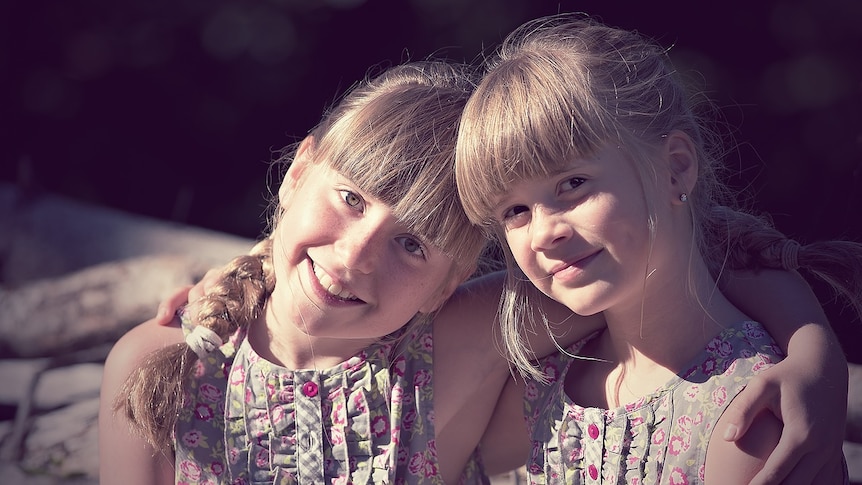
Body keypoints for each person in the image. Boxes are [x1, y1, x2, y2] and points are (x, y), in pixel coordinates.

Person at [102, 58, 846, 485]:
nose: (357, 254)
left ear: (453, 279)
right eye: (351, 198)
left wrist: (816, 349)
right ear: (299, 170)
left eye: (415, 244)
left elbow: (677, 244)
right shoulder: (160, 365)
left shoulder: (459, 340)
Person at [453, 14, 858, 484]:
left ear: (676, 169)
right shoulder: (537, 390)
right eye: (515, 211)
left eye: (573, 183)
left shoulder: (749, 420)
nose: (543, 233)